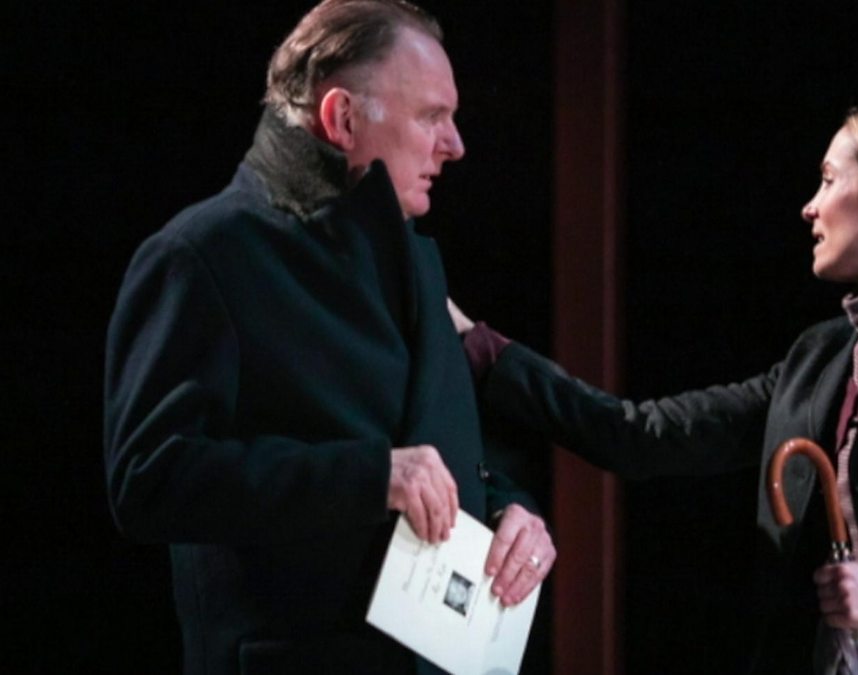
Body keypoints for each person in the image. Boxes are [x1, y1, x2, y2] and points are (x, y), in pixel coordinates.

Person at [452, 99, 858, 673]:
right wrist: (478, 347)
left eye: (828, 180)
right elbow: (642, 436)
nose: (809, 206)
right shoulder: (821, 358)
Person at [103, 2, 554, 674]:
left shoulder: (412, 262)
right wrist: (371, 476)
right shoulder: (203, 255)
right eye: (431, 116)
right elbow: (150, 478)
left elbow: (438, 449)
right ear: (343, 118)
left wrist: (510, 511)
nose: (455, 145)